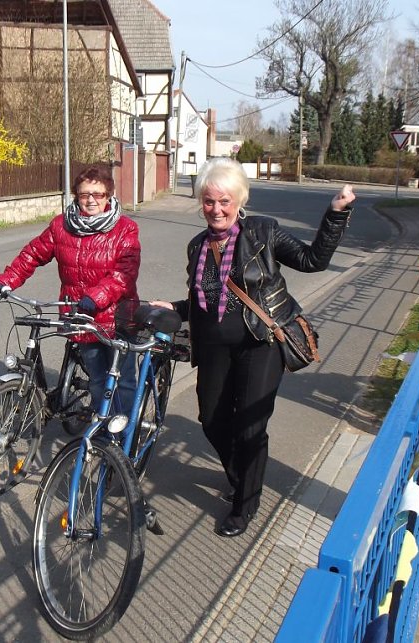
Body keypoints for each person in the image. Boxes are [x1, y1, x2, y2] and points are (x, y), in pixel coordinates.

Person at [152, 157, 355, 538]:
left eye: (225, 201)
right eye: (209, 201)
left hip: (261, 342)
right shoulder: (197, 246)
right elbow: (202, 299)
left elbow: (313, 261)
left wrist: (335, 214)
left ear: (240, 200)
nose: (217, 210)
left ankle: (245, 503)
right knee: (212, 421)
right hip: (214, 348)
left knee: (249, 426)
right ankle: (242, 475)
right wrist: (175, 309)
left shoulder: (263, 232)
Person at [0, 165, 141, 415]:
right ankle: (101, 433)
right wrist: (9, 278)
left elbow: (125, 273)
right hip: (81, 316)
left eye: (98, 194)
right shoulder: (62, 225)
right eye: (84, 194)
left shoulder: (125, 228)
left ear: (109, 196)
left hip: (118, 317)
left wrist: (97, 296)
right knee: (97, 380)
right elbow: (34, 253)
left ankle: (124, 437)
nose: (91, 200)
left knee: (122, 381)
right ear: (76, 195)